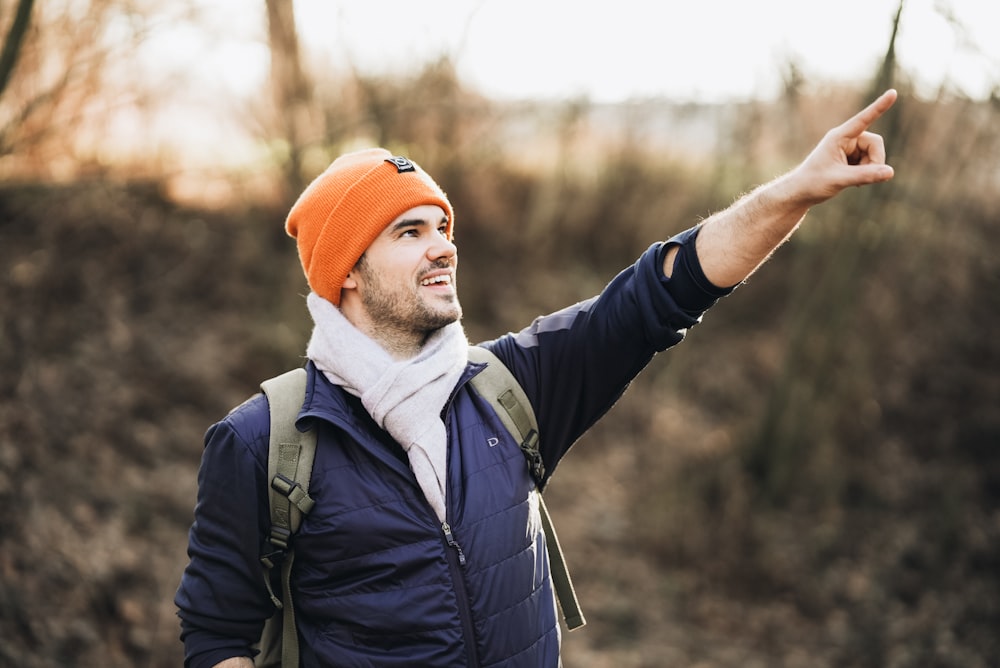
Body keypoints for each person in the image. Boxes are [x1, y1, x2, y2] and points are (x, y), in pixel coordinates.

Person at [175, 89, 898, 668]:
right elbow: (217, 634)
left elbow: (659, 294)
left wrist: (795, 193)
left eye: (443, 228)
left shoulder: (506, 391)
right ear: (348, 275)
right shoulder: (264, 443)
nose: (444, 249)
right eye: (410, 232)